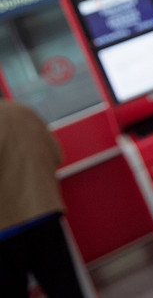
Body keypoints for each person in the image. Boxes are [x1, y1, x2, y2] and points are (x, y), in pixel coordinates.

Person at [0, 98, 87, 298]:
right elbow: (56, 155)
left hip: (4, 231)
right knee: (65, 290)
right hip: (44, 214)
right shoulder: (24, 111)